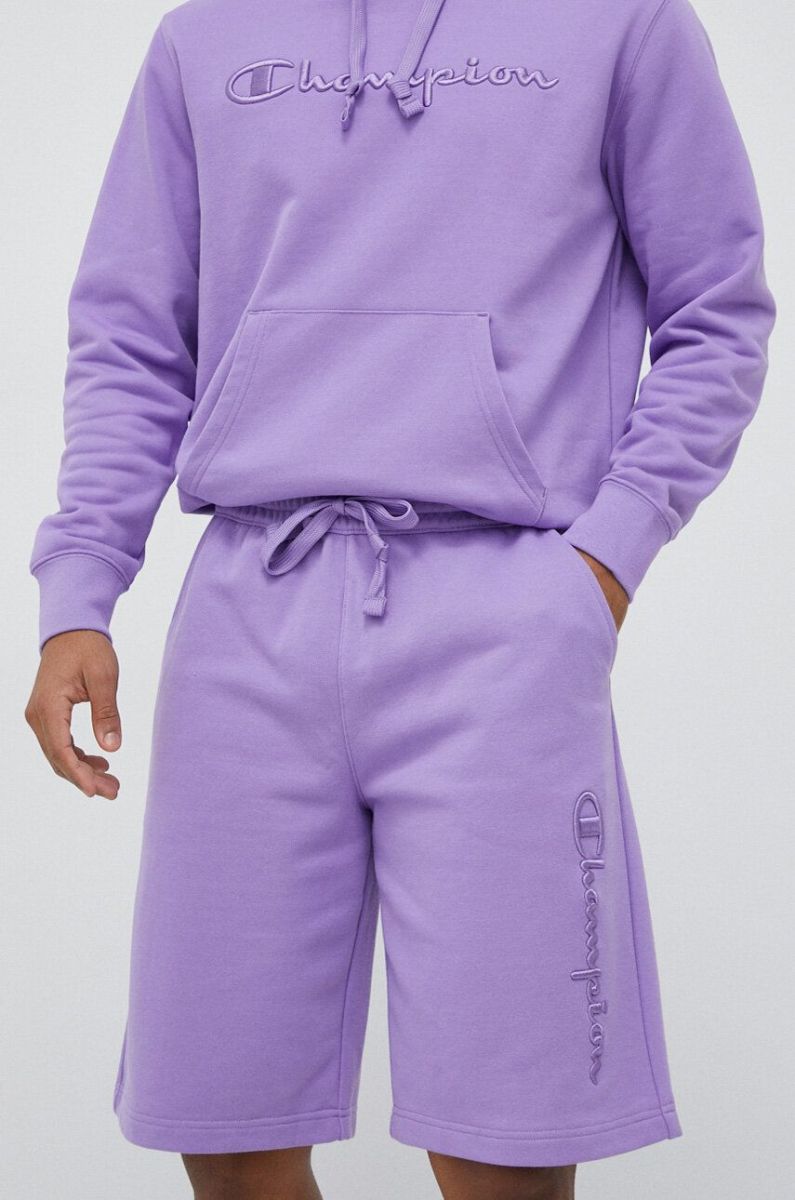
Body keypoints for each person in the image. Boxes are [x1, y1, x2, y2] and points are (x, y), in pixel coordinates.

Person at [25, 0, 774, 1197]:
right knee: (227, 1130)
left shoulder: (625, 23)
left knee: (505, 1149)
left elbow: (718, 311)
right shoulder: (203, 37)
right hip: (248, 614)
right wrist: (81, 586)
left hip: (503, 623)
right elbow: (130, 335)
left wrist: (602, 565)